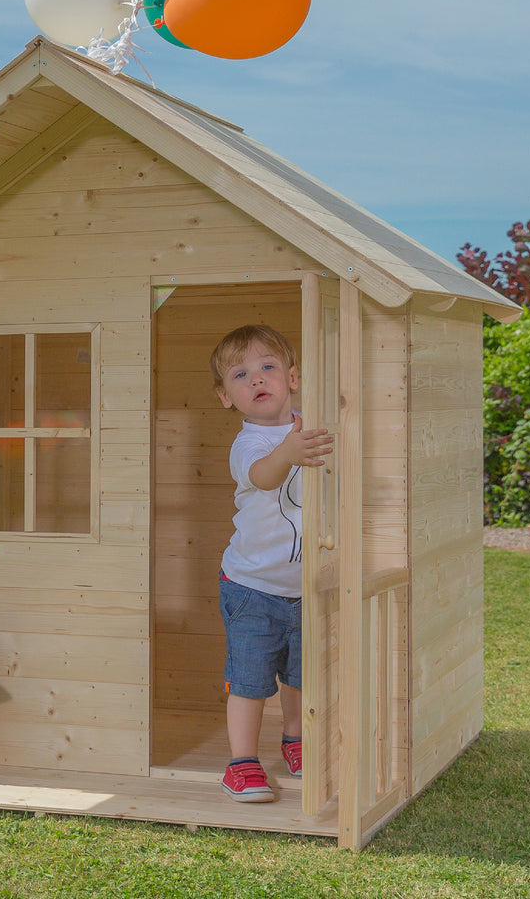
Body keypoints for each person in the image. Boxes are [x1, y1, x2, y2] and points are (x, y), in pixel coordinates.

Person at [209, 324, 333, 802]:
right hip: (251, 586)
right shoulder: (251, 443)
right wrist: (289, 451)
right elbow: (263, 477)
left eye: (267, 367)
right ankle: (241, 764)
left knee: (299, 676)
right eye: (240, 375)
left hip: (305, 583)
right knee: (249, 680)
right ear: (226, 397)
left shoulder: (311, 425)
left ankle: (295, 741)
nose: (256, 379)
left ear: (293, 377)